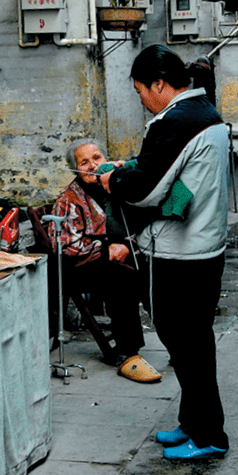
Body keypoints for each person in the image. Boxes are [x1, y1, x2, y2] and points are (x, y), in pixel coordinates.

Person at [100, 44, 230, 460]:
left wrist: (114, 180)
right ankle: (192, 424)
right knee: (190, 344)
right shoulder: (204, 112)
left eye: (140, 90)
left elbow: (145, 190)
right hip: (204, 245)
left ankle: (209, 435)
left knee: (187, 346)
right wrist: (135, 169)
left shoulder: (175, 122)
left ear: (159, 84)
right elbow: (177, 183)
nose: (140, 99)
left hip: (181, 255)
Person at [49, 138, 162, 384]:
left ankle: (173, 336)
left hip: (109, 255)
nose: (92, 166)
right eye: (84, 162)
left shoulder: (112, 188)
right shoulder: (69, 200)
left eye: (97, 158)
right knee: (123, 277)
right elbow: (67, 246)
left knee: (151, 270)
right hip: (79, 266)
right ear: (75, 169)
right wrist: (107, 249)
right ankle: (127, 351)